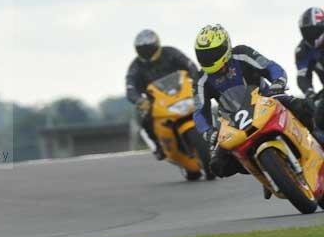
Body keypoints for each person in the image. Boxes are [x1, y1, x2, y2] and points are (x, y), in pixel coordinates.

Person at [192, 24, 318, 180]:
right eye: (203, 54)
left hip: (268, 100)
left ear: (225, 47)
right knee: (218, 165)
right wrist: (208, 132)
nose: (208, 58)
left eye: (212, 53)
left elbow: (271, 67)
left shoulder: (241, 53)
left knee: (307, 108)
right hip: (234, 122)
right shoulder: (201, 79)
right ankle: (266, 175)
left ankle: (319, 141)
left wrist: (278, 82)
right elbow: (199, 112)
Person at [125, 29, 200, 160]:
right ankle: (158, 146)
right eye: (143, 49)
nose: (147, 52)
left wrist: (195, 80)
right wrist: (139, 100)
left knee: (204, 102)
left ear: (157, 45)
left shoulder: (170, 53)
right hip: (156, 102)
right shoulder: (135, 66)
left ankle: (213, 131)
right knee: (145, 120)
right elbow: (130, 87)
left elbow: (190, 65)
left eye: (149, 48)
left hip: (182, 93)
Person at [295, 7, 324, 100]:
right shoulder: (302, 50)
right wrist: (309, 93)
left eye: (314, 30)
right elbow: (303, 76)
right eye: (307, 31)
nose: (311, 34)